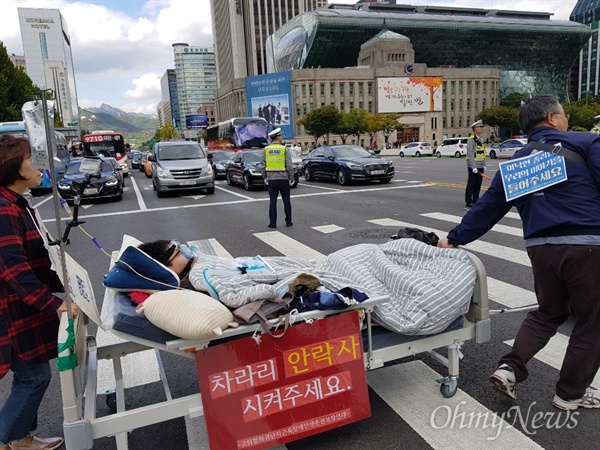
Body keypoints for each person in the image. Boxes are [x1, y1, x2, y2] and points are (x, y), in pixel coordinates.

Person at [438, 95, 600, 411]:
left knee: (549, 312)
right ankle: (569, 394)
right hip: (588, 245)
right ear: (553, 119)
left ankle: (510, 367)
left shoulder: (516, 163)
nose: (566, 120)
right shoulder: (585, 143)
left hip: (541, 250)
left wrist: (455, 239)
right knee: (593, 321)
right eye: (564, 115)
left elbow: (489, 207)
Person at [0, 135, 78, 450]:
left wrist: (66, 287)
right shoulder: (4, 209)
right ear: (12, 168)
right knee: (34, 378)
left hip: (19, 308)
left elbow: (36, 260)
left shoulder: (17, 203)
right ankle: (9, 438)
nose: (41, 166)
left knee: (31, 377)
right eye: (33, 159)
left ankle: (21, 438)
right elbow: (15, 269)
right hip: (10, 311)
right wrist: (55, 305)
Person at [260, 128, 294, 228]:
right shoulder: (284, 149)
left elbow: (262, 165)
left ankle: (273, 223)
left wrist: (264, 176)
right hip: (283, 179)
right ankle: (288, 221)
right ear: (278, 137)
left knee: (272, 201)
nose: (281, 137)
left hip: (271, 180)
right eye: (281, 136)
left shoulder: (265, 149)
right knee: (286, 201)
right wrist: (291, 177)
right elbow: (289, 166)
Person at [465, 119, 487, 208]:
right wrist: (473, 167)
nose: (482, 129)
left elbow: (482, 152)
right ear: (475, 129)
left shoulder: (480, 139)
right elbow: (470, 154)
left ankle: (476, 199)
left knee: (478, 184)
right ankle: (468, 201)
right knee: (471, 184)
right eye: (480, 127)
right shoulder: (471, 140)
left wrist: (484, 164)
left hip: (480, 165)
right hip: (473, 166)